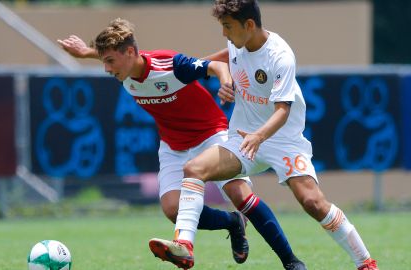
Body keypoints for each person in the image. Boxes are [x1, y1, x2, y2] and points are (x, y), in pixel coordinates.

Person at [59, 18, 306, 270]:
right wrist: (85, 52)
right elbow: (113, 56)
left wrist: (225, 81)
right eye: (104, 61)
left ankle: (291, 261)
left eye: (109, 62)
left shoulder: (170, 64)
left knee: (240, 195)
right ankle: (232, 222)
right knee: (172, 209)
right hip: (173, 145)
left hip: (211, 134)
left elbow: (216, 66)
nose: (107, 69)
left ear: (130, 52)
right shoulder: (123, 69)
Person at [150, 1, 379, 270]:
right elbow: (219, 59)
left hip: (283, 140)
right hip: (242, 138)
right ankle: (185, 247)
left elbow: (283, 110)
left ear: (249, 25)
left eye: (227, 26)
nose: (224, 33)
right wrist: (213, 76)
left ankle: (365, 262)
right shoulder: (237, 42)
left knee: (313, 202)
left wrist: (259, 136)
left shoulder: (280, 55)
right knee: (194, 169)